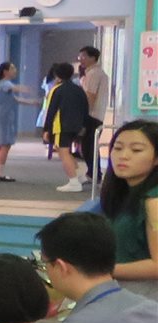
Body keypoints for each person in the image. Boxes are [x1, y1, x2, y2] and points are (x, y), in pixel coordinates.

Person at [98, 120, 158, 300]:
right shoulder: (121, 194)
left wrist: (97, 270)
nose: (123, 156)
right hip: (117, 289)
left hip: (145, 297)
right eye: (117, 148)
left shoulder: (154, 202)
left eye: (136, 150)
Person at [40, 63, 90, 193]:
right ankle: (80, 176)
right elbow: (86, 108)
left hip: (61, 126)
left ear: (57, 75)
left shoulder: (56, 89)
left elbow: (51, 110)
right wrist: (83, 125)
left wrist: (46, 129)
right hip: (76, 125)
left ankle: (73, 182)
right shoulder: (79, 89)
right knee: (65, 151)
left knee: (63, 152)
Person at [76, 45, 111, 182]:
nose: (80, 59)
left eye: (83, 56)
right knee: (88, 145)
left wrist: (83, 115)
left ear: (93, 58)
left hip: (92, 115)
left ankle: (94, 174)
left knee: (89, 146)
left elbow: (90, 96)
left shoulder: (94, 73)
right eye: (80, 56)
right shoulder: (91, 73)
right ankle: (93, 173)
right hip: (94, 114)